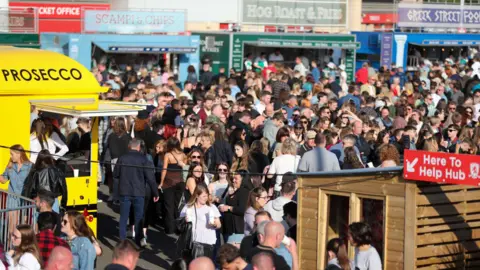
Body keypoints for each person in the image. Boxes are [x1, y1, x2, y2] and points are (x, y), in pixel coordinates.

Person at [114, 138, 159, 244]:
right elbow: (151, 178)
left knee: (124, 217)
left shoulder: (122, 158)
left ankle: (122, 240)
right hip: (139, 192)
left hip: (124, 191)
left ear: (129, 147)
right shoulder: (144, 160)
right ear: (139, 147)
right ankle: (139, 240)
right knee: (139, 217)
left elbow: (116, 174)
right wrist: (155, 192)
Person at [179, 184, 221, 260]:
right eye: (204, 196)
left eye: (207, 195)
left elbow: (219, 225)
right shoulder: (188, 207)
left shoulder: (211, 207)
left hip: (207, 242)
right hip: (191, 241)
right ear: (197, 196)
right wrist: (184, 220)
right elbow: (180, 222)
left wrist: (214, 224)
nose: (206, 198)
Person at [160, 136, 187, 234]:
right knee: (178, 206)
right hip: (180, 182)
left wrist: (161, 182)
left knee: (169, 206)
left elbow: (164, 169)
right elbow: (185, 171)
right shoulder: (184, 155)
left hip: (169, 182)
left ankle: (170, 229)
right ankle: (178, 228)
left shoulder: (168, 154)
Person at [219, 170, 250, 245]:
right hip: (229, 229)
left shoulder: (244, 192)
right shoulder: (237, 191)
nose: (233, 180)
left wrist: (229, 208)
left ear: (243, 179)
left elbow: (242, 210)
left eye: (236, 179)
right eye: (233, 178)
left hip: (236, 230)